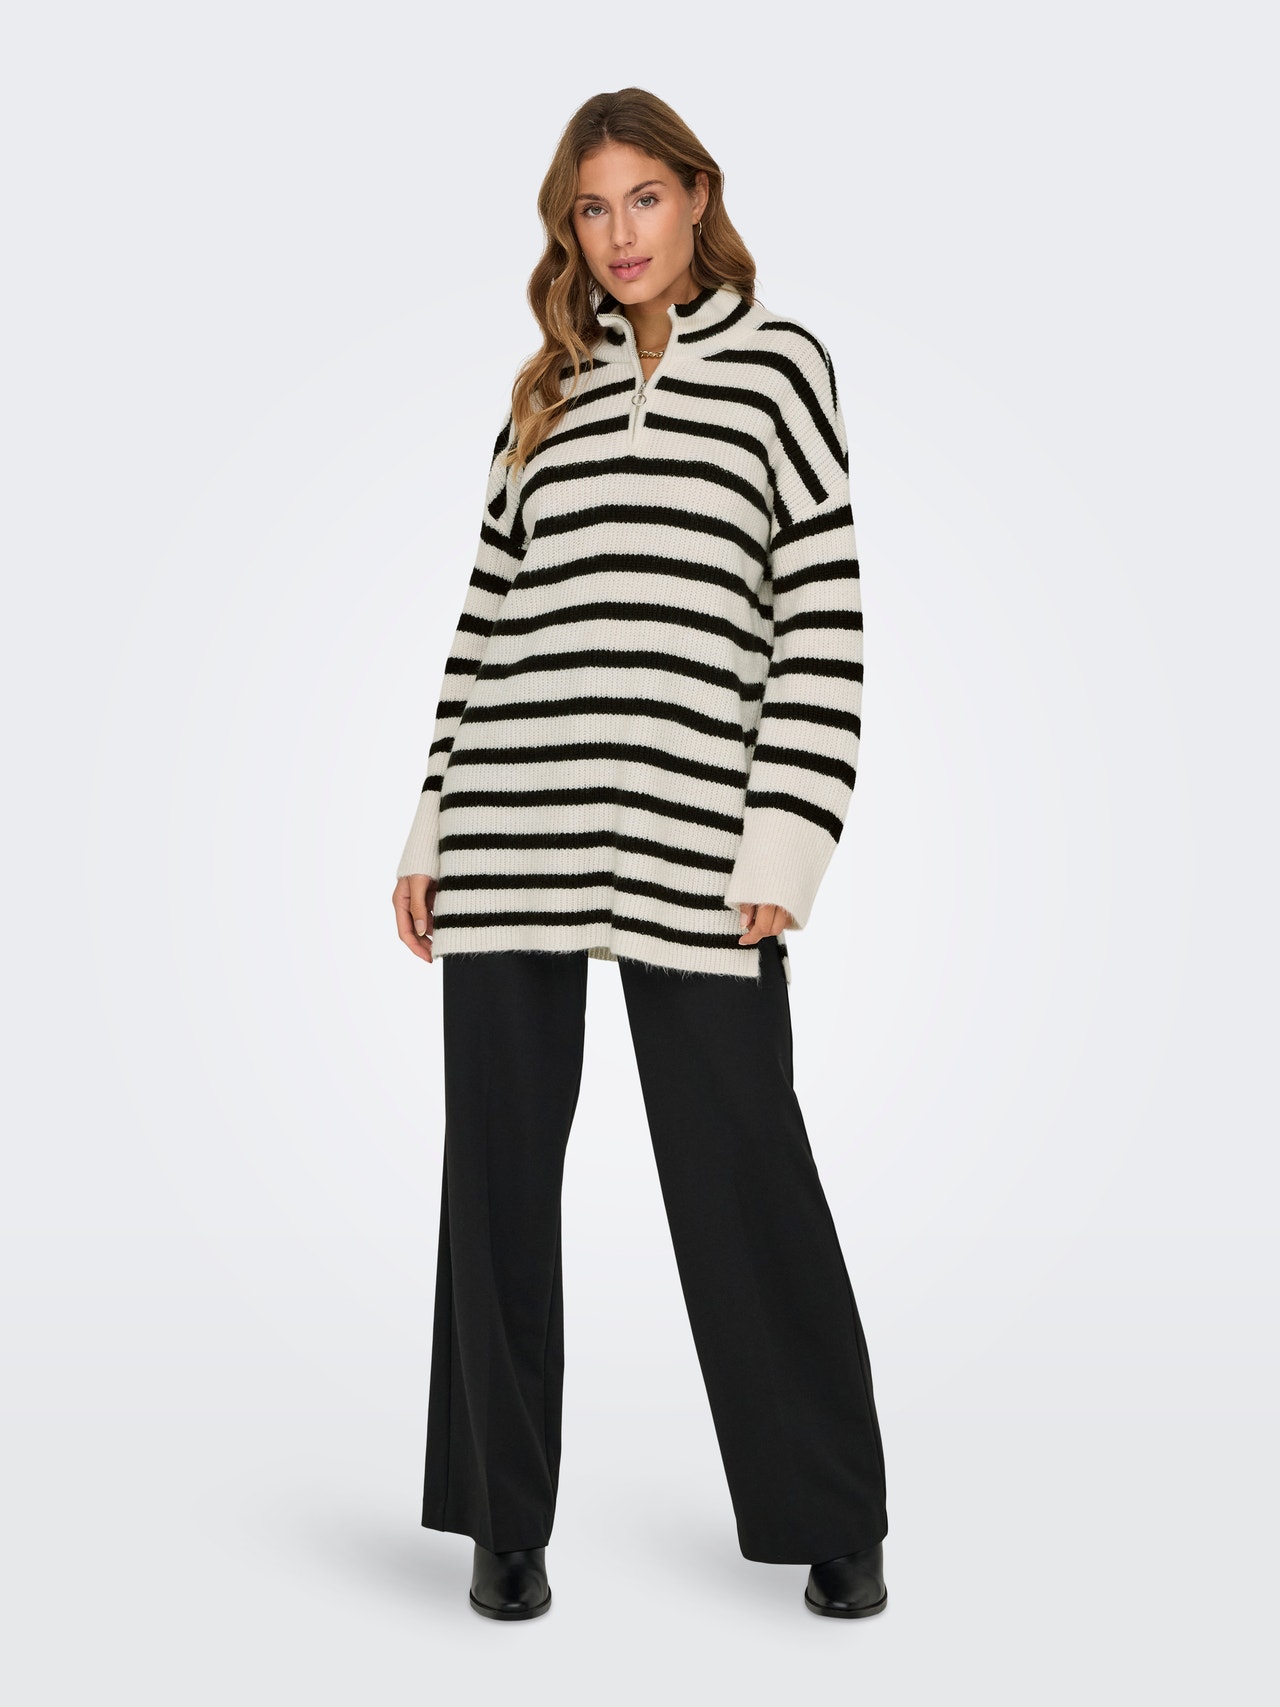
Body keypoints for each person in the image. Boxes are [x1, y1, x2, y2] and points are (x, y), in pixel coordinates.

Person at [391, 87, 888, 1621]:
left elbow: (820, 612)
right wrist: (431, 823)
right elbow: (487, 617)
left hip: (696, 834)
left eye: (643, 200)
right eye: (591, 210)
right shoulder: (544, 391)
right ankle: (502, 1522)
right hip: (513, 820)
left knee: (742, 1162)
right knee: (495, 1177)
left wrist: (786, 839)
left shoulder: (781, 368)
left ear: (696, 197)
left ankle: (829, 1511)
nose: (618, 235)